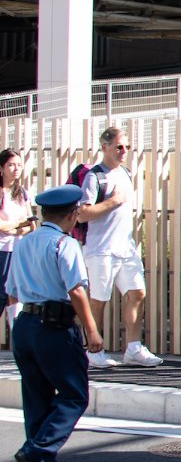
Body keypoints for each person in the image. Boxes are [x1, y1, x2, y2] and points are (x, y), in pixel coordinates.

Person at [9, 185, 103, 462]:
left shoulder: (23, 243)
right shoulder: (66, 244)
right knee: (74, 395)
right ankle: (36, 450)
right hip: (54, 326)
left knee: (35, 394)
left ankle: (36, 454)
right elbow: (76, 290)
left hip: (24, 323)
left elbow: (12, 290)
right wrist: (92, 330)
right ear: (73, 215)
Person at [76, 128, 163, 369]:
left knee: (137, 293)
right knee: (98, 300)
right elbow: (82, 214)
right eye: (119, 147)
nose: (124, 151)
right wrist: (112, 201)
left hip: (125, 246)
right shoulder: (94, 177)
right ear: (104, 147)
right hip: (101, 248)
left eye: (126, 146)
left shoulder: (125, 173)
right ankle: (93, 351)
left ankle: (133, 348)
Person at [0, 149, 37, 325]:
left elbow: (30, 224)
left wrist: (14, 229)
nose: (16, 169)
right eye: (11, 165)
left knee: (15, 293)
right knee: (1, 293)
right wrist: (17, 224)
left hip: (18, 248)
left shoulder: (21, 192)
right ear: (1, 168)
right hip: (2, 250)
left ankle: (17, 339)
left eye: (19, 165)